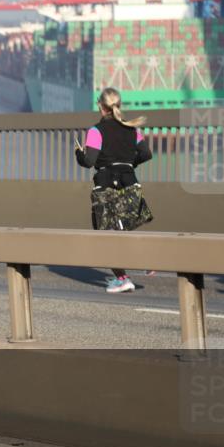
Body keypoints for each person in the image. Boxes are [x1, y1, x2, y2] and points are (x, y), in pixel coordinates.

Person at [75, 87, 153, 293]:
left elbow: (89, 161)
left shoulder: (96, 131)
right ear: (118, 105)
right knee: (123, 230)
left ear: (101, 106)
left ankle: (123, 278)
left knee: (106, 236)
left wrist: (78, 154)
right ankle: (146, 259)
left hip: (107, 188)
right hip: (131, 185)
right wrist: (128, 164)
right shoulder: (132, 129)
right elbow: (146, 154)